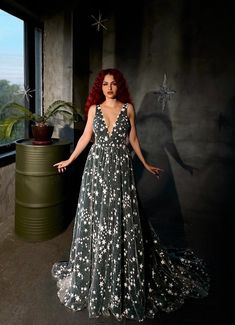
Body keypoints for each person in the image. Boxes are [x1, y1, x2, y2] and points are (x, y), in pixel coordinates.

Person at [51, 68, 209, 322]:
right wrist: (69, 159)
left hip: (121, 170)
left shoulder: (128, 109)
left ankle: (120, 272)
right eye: (105, 84)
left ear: (119, 86)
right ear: (100, 88)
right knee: (98, 217)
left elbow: (133, 138)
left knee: (121, 217)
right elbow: (85, 137)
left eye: (113, 84)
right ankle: (98, 270)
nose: (109, 88)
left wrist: (145, 164)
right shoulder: (94, 110)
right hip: (97, 170)